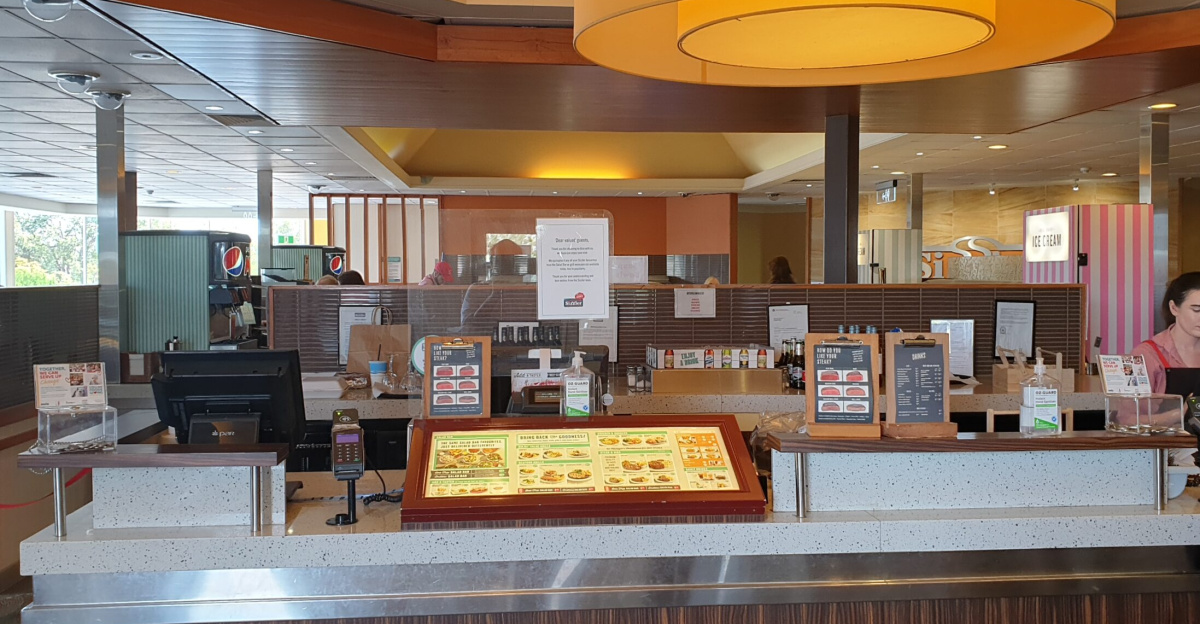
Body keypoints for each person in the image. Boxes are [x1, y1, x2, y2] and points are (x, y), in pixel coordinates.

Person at [1132, 272, 1200, 394]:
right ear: (1174, 308)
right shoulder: (1147, 354)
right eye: (1196, 310)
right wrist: (1178, 408)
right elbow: (1132, 407)